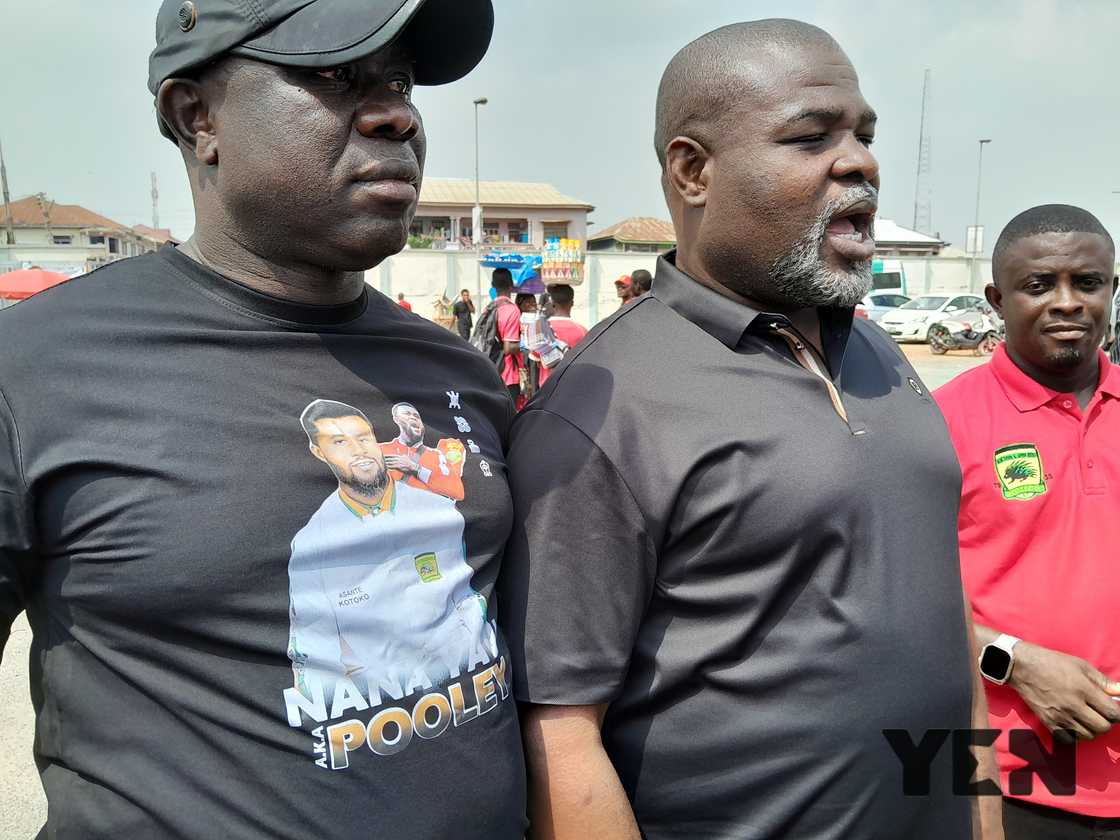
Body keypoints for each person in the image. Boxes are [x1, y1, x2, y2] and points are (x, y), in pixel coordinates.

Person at [0, 2, 527, 838]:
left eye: (399, 82)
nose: (397, 116)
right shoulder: (32, 371)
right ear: (196, 117)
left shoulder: (460, 372)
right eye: (334, 75)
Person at [500, 19, 999, 840]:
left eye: (864, 135)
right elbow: (559, 734)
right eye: (811, 138)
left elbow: (942, 624)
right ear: (693, 171)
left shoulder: (879, 352)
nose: (859, 162)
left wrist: (982, 818)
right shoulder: (599, 409)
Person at [935, 205, 1120, 838]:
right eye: (1039, 285)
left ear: (1112, 289)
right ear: (997, 299)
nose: (1067, 302)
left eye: (1087, 283)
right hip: (1014, 782)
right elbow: (894, 598)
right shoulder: (939, 424)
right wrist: (1012, 660)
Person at [290, 399, 494, 696]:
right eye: (339, 442)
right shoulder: (312, 542)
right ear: (319, 452)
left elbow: (466, 598)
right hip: (381, 703)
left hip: (466, 685)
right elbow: (312, 647)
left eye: (363, 438)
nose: (359, 450)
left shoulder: (437, 509)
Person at [380, 401, 466, 500]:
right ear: (396, 419)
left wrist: (415, 468)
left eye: (416, 416)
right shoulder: (379, 449)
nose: (413, 417)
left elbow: (457, 492)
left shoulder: (438, 456)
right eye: (407, 414)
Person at [535, 283, 588, 387]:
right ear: (572, 303)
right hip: (572, 387)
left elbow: (537, 362)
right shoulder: (583, 331)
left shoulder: (540, 329)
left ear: (552, 303)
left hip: (547, 389)